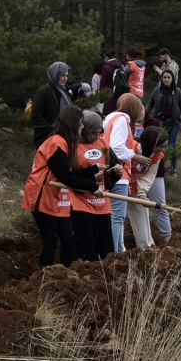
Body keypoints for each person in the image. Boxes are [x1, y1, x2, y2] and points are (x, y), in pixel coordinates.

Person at [22, 104, 92, 266]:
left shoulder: (67, 144)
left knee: (68, 237)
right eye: (81, 123)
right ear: (73, 124)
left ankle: (65, 273)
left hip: (57, 198)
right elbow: (65, 176)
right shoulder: (57, 143)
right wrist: (92, 187)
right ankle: (45, 275)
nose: (82, 127)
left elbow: (71, 173)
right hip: (42, 196)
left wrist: (92, 172)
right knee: (51, 239)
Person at [102, 93, 145, 250]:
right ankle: (116, 250)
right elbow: (117, 148)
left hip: (111, 172)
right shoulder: (122, 121)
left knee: (115, 215)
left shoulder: (111, 119)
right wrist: (135, 156)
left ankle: (119, 248)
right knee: (118, 216)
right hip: (119, 173)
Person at [69, 111, 114, 260]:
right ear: (84, 129)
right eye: (93, 133)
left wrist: (115, 173)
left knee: (104, 246)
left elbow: (111, 166)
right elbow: (71, 175)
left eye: (99, 133)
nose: (96, 136)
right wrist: (92, 178)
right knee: (84, 244)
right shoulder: (73, 146)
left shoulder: (103, 143)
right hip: (82, 201)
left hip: (101, 201)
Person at [128, 126, 171, 246]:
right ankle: (116, 249)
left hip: (135, 185)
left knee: (142, 214)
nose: (162, 150)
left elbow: (148, 176)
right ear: (151, 143)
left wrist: (142, 194)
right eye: (160, 146)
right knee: (117, 217)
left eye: (165, 146)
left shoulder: (157, 156)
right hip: (119, 185)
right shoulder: (131, 147)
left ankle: (146, 247)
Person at [145, 68, 181, 173]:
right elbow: (151, 103)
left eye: (169, 77)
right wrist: (145, 113)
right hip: (159, 121)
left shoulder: (177, 91)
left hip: (173, 121)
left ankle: (174, 168)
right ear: (162, 79)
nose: (166, 79)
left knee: (171, 144)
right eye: (164, 77)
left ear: (172, 79)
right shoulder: (156, 90)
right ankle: (158, 166)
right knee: (158, 143)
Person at [30, 62, 74, 148]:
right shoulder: (43, 92)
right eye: (62, 75)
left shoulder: (66, 91)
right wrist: (51, 129)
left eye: (67, 76)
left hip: (66, 135)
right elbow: (36, 116)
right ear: (55, 74)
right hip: (48, 137)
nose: (65, 78)